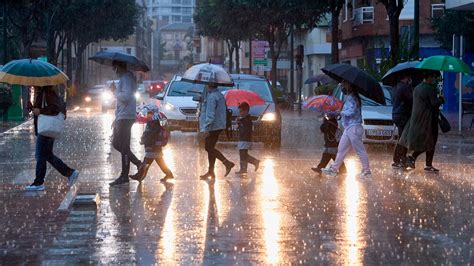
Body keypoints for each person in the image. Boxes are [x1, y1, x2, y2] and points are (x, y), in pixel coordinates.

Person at [26, 86, 79, 191]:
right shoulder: (42, 92)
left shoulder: (48, 92)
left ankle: (38, 183)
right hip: (45, 128)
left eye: (33, 84)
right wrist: (32, 108)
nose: (32, 86)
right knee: (47, 155)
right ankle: (70, 172)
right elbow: (41, 109)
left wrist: (40, 110)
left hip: (47, 128)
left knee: (40, 155)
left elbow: (54, 108)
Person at [322, 81, 371, 178]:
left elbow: (351, 112)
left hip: (354, 128)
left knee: (360, 150)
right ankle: (334, 169)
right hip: (348, 128)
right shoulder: (349, 97)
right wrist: (338, 112)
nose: (343, 87)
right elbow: (346, 112)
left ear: (350, 86)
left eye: (345, 85)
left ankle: (367, 171)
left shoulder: (353, 98)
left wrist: (340, 113)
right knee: (341, 149)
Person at [399, 70, 443, 172]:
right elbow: (434, 103)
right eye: (434, 77)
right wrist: (441, 98)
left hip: (416, 119)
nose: (435, 79)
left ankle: (413, 158)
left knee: (425, 141)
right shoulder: (429, 88)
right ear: (430, 77)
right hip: (428, 120)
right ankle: (425, 164)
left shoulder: (417, 88)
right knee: (431, 142)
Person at [109, 61, 142, 186]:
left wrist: (114, 91)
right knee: (117, 144)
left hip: (126, 117)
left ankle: (124, 175)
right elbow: (120, 102)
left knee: (123, 146)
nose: (114, 70)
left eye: (114, 67)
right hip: (121, 116)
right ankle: (138, 164)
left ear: (118, 66)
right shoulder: (124, 78)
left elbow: (127, 96)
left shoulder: (127, 78)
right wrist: (116, 118)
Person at [199, 83, 235, 179]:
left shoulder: (212, 97)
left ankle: (227, 163)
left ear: (208, 85)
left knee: (209, 148)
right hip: (219, 125)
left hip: (213, 126)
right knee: (210, 148)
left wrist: (206, 128)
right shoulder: (219, 95)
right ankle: (211, 171)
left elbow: (210, 114)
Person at [130, 104, 174, 182]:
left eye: (149, 113)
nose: (147, 115)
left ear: (153, 113)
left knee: (147, 160)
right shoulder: (154, 120)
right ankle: (168, 174)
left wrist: (163, 140)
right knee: (158, 160)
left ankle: (140, 175)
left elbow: (164, 130)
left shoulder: (157, 120)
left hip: (154, 143)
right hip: (154, 143)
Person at [391, 74, 413, 168]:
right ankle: (400, 159)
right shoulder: (404, 87)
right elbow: (411, 100)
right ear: (406, 77)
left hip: (396, 114)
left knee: (401, 137)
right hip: (402, 115)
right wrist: (410, 87)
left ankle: (398, 159)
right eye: (408, 77)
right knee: (403, 138)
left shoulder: (396, 87)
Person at [235, 102, 260, 175]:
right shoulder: (244, 119)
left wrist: (240, 121)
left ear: (246, 111)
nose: (240, 113)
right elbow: (240, 128)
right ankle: (243, 169)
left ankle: (254, 162)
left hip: (245, 139)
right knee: (243, 154)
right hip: (243, 138)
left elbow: (246, 127)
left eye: (241, 111)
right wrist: (239, 123)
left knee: (243, 154)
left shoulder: (247, 119)